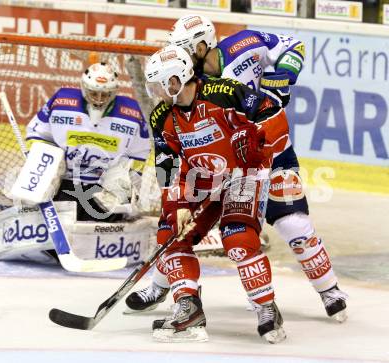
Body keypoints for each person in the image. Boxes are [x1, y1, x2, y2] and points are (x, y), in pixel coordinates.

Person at [127, 15, 347, 323]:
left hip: (268, 156)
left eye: (184, 48)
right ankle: (165, 286)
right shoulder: (189, 86)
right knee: (177, 227)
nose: (181, 55)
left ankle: (329, 290)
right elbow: (169, 154)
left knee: (292, 225)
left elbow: (293, 46)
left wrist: (282, 74)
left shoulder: (244, 45)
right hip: (215, 168)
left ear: (202, 45)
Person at [138, 45, 291, 343]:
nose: (156, 91)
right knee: (170, 233)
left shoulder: (225, 92)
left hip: (245, 173)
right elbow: (165, 164)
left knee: (238, 236)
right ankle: (188, 306)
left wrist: (256, 140)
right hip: (202, 179)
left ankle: (265, 306)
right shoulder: (162, 116)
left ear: (176, 80)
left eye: (159, 84)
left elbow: (274, 116)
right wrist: (176, 205)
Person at [25, 62, 151, 222]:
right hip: (65, 182)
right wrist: (46, 167)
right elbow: (37, 134)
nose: (99, 100)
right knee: (51, 223)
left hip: (103, 188)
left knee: (108, 228)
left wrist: (128, 182)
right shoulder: (61, 102)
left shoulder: (131, 113)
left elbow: (139, 154)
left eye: (105, 94)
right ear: (84, 88)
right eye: (94, 93)